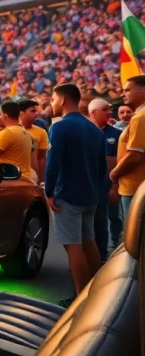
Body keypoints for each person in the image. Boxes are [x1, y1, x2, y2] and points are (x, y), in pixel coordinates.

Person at [46, 83, 109, 304]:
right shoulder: (94, 128)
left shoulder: (59, 127)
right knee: (88, 241)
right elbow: (103, 167)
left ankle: (81, 300)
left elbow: (53, 164)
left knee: (73, 247)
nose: (51, 103)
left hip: (68, 194)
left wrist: (49, 191)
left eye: (53, 98)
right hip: (91, 194)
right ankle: (94, 292)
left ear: (63, 100)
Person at [88, 98, 123, 259]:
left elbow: (120, 161)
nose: (110, 112)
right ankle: (89, 255)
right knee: (88, 220)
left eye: (110, 109)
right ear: (93, 113)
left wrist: (114, 185)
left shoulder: (117, 134)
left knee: (108, 218)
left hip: (107, 184)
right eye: (105, 109)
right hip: (87, 183)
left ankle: (106, 252)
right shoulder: (84, 132)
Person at [111, 75, 145, 220]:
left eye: (127, 90)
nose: (122, 94)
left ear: (142, 92)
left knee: (135, 239)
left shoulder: (140, 118)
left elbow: (135, 156)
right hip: (137, 188)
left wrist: (113, 174)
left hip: (135, 189)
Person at [0, 100, 35, 183]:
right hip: (25, 177)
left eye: (0, 114)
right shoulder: (24, 132)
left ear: (5, 115)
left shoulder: (8, 133)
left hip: (15, 179)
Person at [18, 99, 50, 185]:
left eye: (36, 111)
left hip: (33, 177)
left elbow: (41, 158)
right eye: (32, 111)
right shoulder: (10, 131)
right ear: (21, 113)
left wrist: (41, 180)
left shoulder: (41, 132)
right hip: (16, 177)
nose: (36, 114)